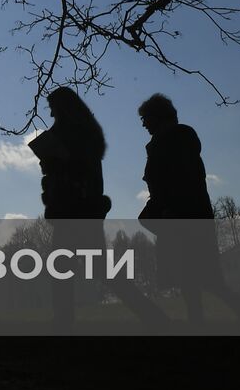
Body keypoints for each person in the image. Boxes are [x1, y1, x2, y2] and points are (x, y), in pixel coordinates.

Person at [28, 87, 166, 329]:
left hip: (74, 209)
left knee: (68, 268)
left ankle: (64, 322)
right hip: (81, 208)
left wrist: (54, 163)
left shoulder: (72, 134)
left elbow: (74, 170)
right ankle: (151, 315)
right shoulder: (84, 131)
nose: (50, 113)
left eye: (52, 107)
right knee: (93, 268)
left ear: (62, 107)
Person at [138, 93, 240, 325]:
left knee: (190, 274)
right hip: (184, 211)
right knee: (196, 274)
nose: (144, 123)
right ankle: (237, 308)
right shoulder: (174, 139)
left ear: (158, 116)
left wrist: (166, 209)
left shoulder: (171, 140)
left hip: (180, 213)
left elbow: (174, 179)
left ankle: (204, 318)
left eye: (146, 118)